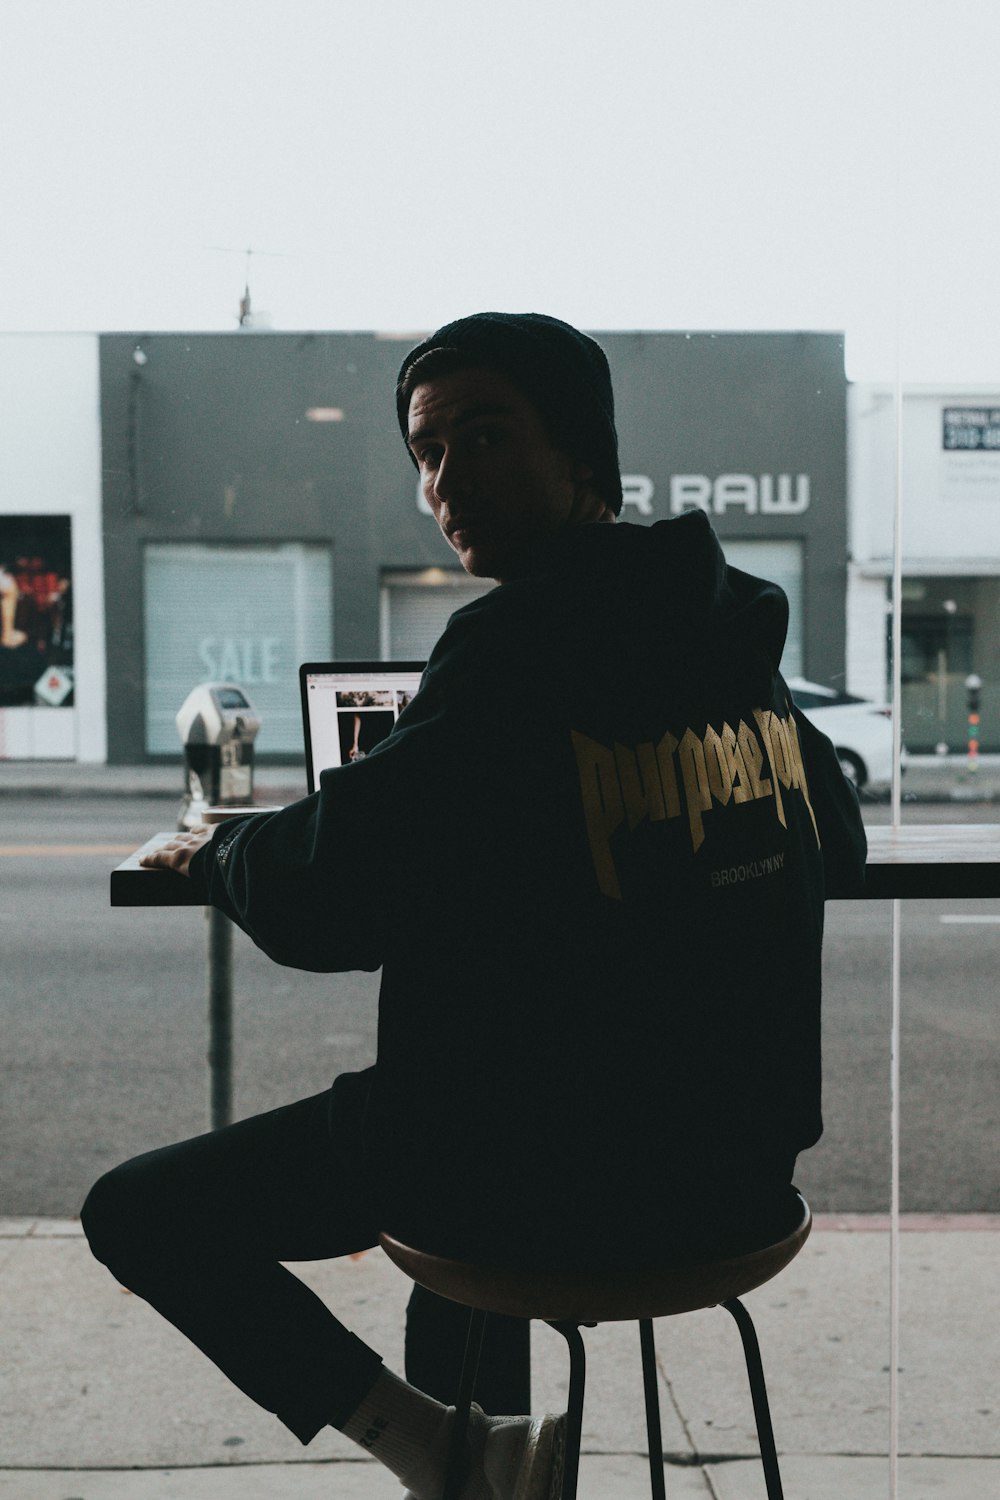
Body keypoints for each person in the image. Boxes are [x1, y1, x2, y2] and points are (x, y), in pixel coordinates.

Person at [82, 312, 867, 1500]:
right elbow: (838, 839)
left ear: (582, 453)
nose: (448, 479)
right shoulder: (721, 628)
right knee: (463, 1123)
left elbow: (326, 902)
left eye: (484, 435)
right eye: (427, 452)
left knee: (139, 1212)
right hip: (734, 1171)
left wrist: (224, 855)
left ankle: (445, 1452)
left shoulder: (514, 645)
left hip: (555, 1177)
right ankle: (482, 1448)